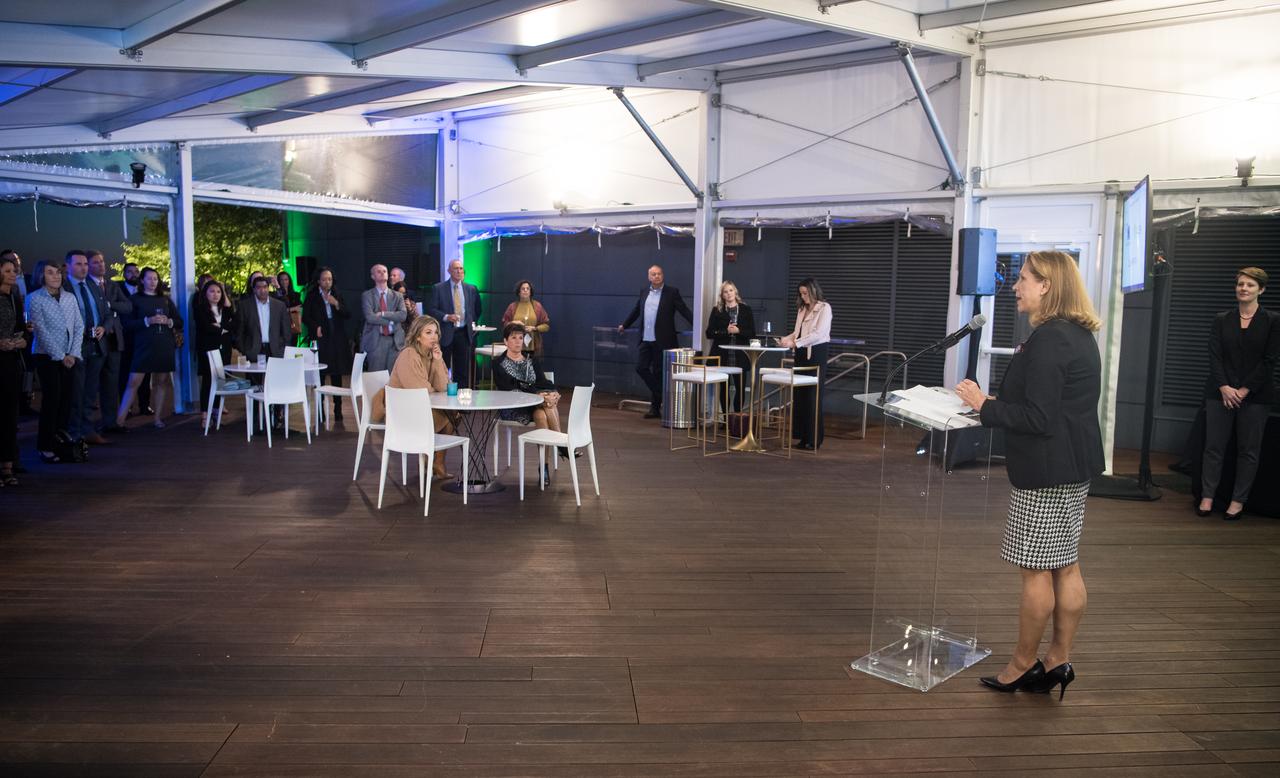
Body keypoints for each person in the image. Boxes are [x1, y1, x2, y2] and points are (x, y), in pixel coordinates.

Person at [956, 250, 1104, 700]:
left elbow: (1038, 418)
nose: (1015, 286)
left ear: (1047, 286)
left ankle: (1021, 665)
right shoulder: (1076, 335)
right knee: (1065, 564)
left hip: (1044, 470)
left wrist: (985, 406)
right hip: (1071, 466)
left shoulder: (1050, 340)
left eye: (1023, 279)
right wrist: (998, 402)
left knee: (1037, 570)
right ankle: (1058, 660)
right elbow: (1052, 406)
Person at [1198, 266, 1279, 521]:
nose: (1243, 288)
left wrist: (1242, 391)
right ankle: (1207, 496)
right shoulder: (1222, 319)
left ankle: (1237, 501)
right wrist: (1224, 387)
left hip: (1255, 395)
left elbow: (1269, 360)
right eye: (1241, 284)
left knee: (1248, 450)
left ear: (1261, 290)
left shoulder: (1273, 320)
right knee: (1214, 448)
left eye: (1250, 285)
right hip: (1219, 392)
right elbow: (1214, 356)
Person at [369, 315, 454, 480]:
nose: (434, 337)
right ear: (417, 336)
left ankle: (436, 462)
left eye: (436, 333)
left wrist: (437, 361)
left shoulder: (433, 355)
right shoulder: (409, 354)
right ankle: (433, 462)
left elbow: (444, 387)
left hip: (420, 409)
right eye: (428, 332)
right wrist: (433, 388)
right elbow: (419, 389)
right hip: (401, 414)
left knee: (454, 414)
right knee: (449, 415)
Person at [492, 322, 568, 480]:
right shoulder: (498, 364)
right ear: (505, 341)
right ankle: (561, 445)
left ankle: (543, 466)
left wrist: (553, 392)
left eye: (520, 338)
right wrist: (539, 395)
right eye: (513, 338)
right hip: (513, 407)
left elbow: (543, 382)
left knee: (542, 413)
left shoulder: (531, 360)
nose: (518, 341)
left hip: (536, 405)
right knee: (545, 405)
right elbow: (510, 387)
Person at [618, 265, 693, 419]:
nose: (656, 276)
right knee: (641, 367)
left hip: (663, 339)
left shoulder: (672, 292)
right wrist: (625, 324)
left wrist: (696, 325)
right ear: (649, 277)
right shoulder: (644, 291)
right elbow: (637, 310)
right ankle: (660, 392)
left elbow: (683, 310)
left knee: (658, 373)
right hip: (646, 338)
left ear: (662, 275)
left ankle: (655, 408)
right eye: (653, 274)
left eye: (659, 274)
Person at [27, 261, 83, 462]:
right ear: (41, 276)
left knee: (66, 401)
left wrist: (73, 354)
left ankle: (61, 441)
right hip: (46, 356)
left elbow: (79, 326)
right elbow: (40, 331)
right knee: (52, 400)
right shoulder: (34, 298)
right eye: (50, 273)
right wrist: (60, 356)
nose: (56, 276)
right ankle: (45, 446)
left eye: (58, 272)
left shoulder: (70, 297)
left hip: (70, 356)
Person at [116, 268, 182, 429]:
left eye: (155, 279)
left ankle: (158, 418)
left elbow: (179, 321)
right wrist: (147, 321)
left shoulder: (165, 300)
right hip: (143, 346)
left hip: (164, 345)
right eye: (149, 279)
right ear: (142, 281)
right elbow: (127, 324)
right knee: (133, 382)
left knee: (161, 382)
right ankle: (119, 421)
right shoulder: (134, 299)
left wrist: (170, 322)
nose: (153, 282)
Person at [63, 250, 112, 446]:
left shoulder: (94, 286)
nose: (83, 268)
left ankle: (88, 430)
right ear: (68, 266)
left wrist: (104, 328)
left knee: (91, 393)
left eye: (85, 264)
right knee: (76, 392)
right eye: (78, 264)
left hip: (97, 345)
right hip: (75, 347)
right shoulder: (64, 288)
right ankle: (74, 433)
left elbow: (108, 314)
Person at [779, 278, 830, 450]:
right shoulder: (802, 309)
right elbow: (798, 331)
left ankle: (814, 439)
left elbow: (818, 334)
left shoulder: (824, 308)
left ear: (814, 291)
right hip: (801, 353)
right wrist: (786, 340)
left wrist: (795, 342)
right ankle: (802, 437)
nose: (803, 296)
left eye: (806, 293)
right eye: (801, 293)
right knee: (800, 397)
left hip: (816, 354)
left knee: (812, 397)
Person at [88, 251, 131, 434]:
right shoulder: (86, 286)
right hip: (96, 339)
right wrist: (110, 307)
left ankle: (110, 422)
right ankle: (87, 427)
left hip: (114, 339)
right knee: (91, 385)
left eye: (102, 261)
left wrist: (108, 305)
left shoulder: (112, 285)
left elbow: (127, 307)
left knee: (111, 383)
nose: (101, 265)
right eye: (96, 262)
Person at [302, 266, 353, 420]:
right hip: (321, 338)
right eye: (324, 279)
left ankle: (338, 409)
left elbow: (347, 313)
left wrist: (336, 304)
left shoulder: (337, 294)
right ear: (318, 281)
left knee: (337, 375)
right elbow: (306, 317)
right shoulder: (311, 296)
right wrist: (315, 327)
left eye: (329, 279)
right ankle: (321, 411)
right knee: (321, 374)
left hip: (336, 339)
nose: (327, 282)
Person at [429, 258, 482, 388]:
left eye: (461, 268)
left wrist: (470, 322)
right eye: (455, 268)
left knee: (462, 371)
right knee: (442, 368)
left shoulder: (471, 288)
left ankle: (462, 402)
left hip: (463, 334)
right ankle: (442, 398)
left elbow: (477, 310)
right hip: (446, 333)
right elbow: (431, 309)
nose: (459, 271)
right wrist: (446, 317)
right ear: (449, 271)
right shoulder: (438, 288)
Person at [193, 279, 239, 428]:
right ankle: (205, 415)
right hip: (207, 349)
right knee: (208, 381)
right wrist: (222, 329)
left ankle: (216, 411)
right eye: (212, 291)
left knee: (221, 379)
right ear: (205, 293)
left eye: (218, 291)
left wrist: (220, 327)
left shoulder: (224, 309)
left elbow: (234, 322)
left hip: (224, 348)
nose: (215, 294)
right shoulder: (201, 308)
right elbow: (206, 327)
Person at [0, 253, 29, 484]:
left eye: (14, 271)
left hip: (11, 361)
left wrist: (21, 341)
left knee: (10, 414)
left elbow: (21, 328)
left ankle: (7, 466)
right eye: (8, 271)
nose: (13, 274)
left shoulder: (15, 297)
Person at [705, 280, 755, 411]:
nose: (729, 294)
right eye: (725, 292)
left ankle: (737, 418)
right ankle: (726, 419)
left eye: (731, 290)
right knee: (724, 388)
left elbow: (752, 332)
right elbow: (709, 333)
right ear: (722, 295)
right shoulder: (717, 310)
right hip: (722, 355)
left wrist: (739, 331)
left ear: (735, 292)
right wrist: (725, 331)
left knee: (740, 387)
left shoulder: (745, 309)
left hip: (740, 356)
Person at [360, 264, 407, 373]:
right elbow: (370, 317)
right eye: (379, 271)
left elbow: (403, 315)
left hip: (395, 341)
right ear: (372, 276)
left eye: (385, 271)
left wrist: (382, 314)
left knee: (394, 378)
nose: (382, 273)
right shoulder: (367, 295)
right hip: (376, 340)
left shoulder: (397, 296)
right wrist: (392, 321)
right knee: (376, 377)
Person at [116, 261, 149, 416]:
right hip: (125, 336)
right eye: (130, 272)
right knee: (125, 372)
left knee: (145, 372)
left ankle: (145, 405)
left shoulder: (144, 291)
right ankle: (126, 407)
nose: (134, 274)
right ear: (124, 274)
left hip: (143, 336)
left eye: (136, 272)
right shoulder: (118, 289)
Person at [236, 274, 290, 364]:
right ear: (253, 289)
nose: (263, 290)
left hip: (275, 350)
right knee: (254, 378)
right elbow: (240, 330)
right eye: (259, 287)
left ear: (268, 288)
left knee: (274, 377)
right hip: (253, 350)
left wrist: (283, 348)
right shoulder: (244, 306)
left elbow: (286, 330)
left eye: (265, 287)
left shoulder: (279, 305)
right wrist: (244, 350)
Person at [501, 280, 551, 356]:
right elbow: (504, 323)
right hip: (515, 345)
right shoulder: (512, 307)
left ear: (530, 292)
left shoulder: (537, 306)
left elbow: (546, 326)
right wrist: (514, 323)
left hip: (533, 345)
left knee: (532, 366)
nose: (525, 290)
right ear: (519, 292)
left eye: (528, 288)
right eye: (523, 288)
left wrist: (534, 328)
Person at [274, 271, 303, 346]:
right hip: (280, 327)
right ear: (278, 281)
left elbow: (300, 308)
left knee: (293, 349)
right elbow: (277, 311)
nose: (284, 282)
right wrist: (292, 309)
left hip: (293, 326)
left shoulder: (296, 295)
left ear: (289, 281)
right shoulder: (275, 295)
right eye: (281, 280)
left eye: (286, 279)